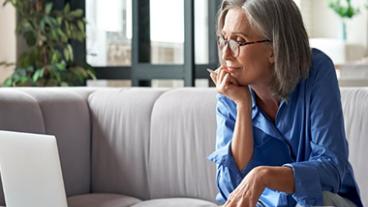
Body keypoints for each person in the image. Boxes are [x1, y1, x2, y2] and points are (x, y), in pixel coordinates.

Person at [207, 0, 363, 206]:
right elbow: (231, 188)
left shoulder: (316, 71)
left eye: (238, 41)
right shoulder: (231, 91)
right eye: (223, 40)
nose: (226, 54)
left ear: (273, 48)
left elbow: (331, 168)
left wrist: (263, 175)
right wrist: (243, 106)